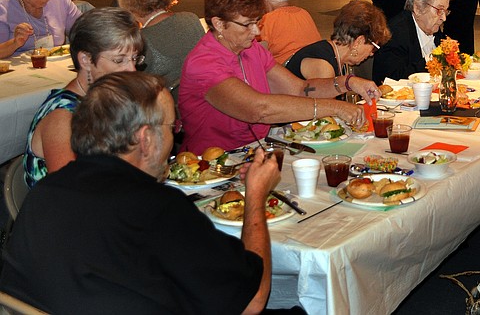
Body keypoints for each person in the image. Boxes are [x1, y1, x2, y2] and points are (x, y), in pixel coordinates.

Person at [1, 72, 279, 313]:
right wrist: (256, 195)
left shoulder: (45, 192)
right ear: (145, 139)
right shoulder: (157, 208)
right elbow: (252, 301)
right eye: (173, 127)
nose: (176, 138)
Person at [178, 0, 376, 154]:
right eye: (247, 24)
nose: (256, 31)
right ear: (219, 24)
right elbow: (259, 109)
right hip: (210, 165)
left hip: (255, 151)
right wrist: (334, 107)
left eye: (257, 22)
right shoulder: (204, 64)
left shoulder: (251, 49)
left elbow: (299, 89)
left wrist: (347, 82)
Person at [22, 7, 144, 187]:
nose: (132, 70)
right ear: (86, 60)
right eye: (119, 60)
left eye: (134, 58)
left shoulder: (108, 99)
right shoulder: (62, 118)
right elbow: (71, 194)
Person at [116, 0, 205, 88]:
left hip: (170, 102)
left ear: (128, 5)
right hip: (206, 93)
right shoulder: (191, 18)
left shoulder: (140, 41)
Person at [372, 0, 454, 83]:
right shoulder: (394, 34)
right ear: (418, 8)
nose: (443, 18)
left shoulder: (433, 27)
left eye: (446, 11)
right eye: (439, 10)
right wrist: (432, 60)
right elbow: (393, 78)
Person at [286, 0, 390, 81]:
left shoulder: (338, 58)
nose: (371, 54)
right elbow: (325, 107)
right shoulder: (323, 67)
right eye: (374, 48)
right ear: (359, 41)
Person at [254, 0, 321, 64]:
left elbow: (257, 56)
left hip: (287, 71)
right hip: (312, 66)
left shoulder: (269, 20)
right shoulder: (304, 13)